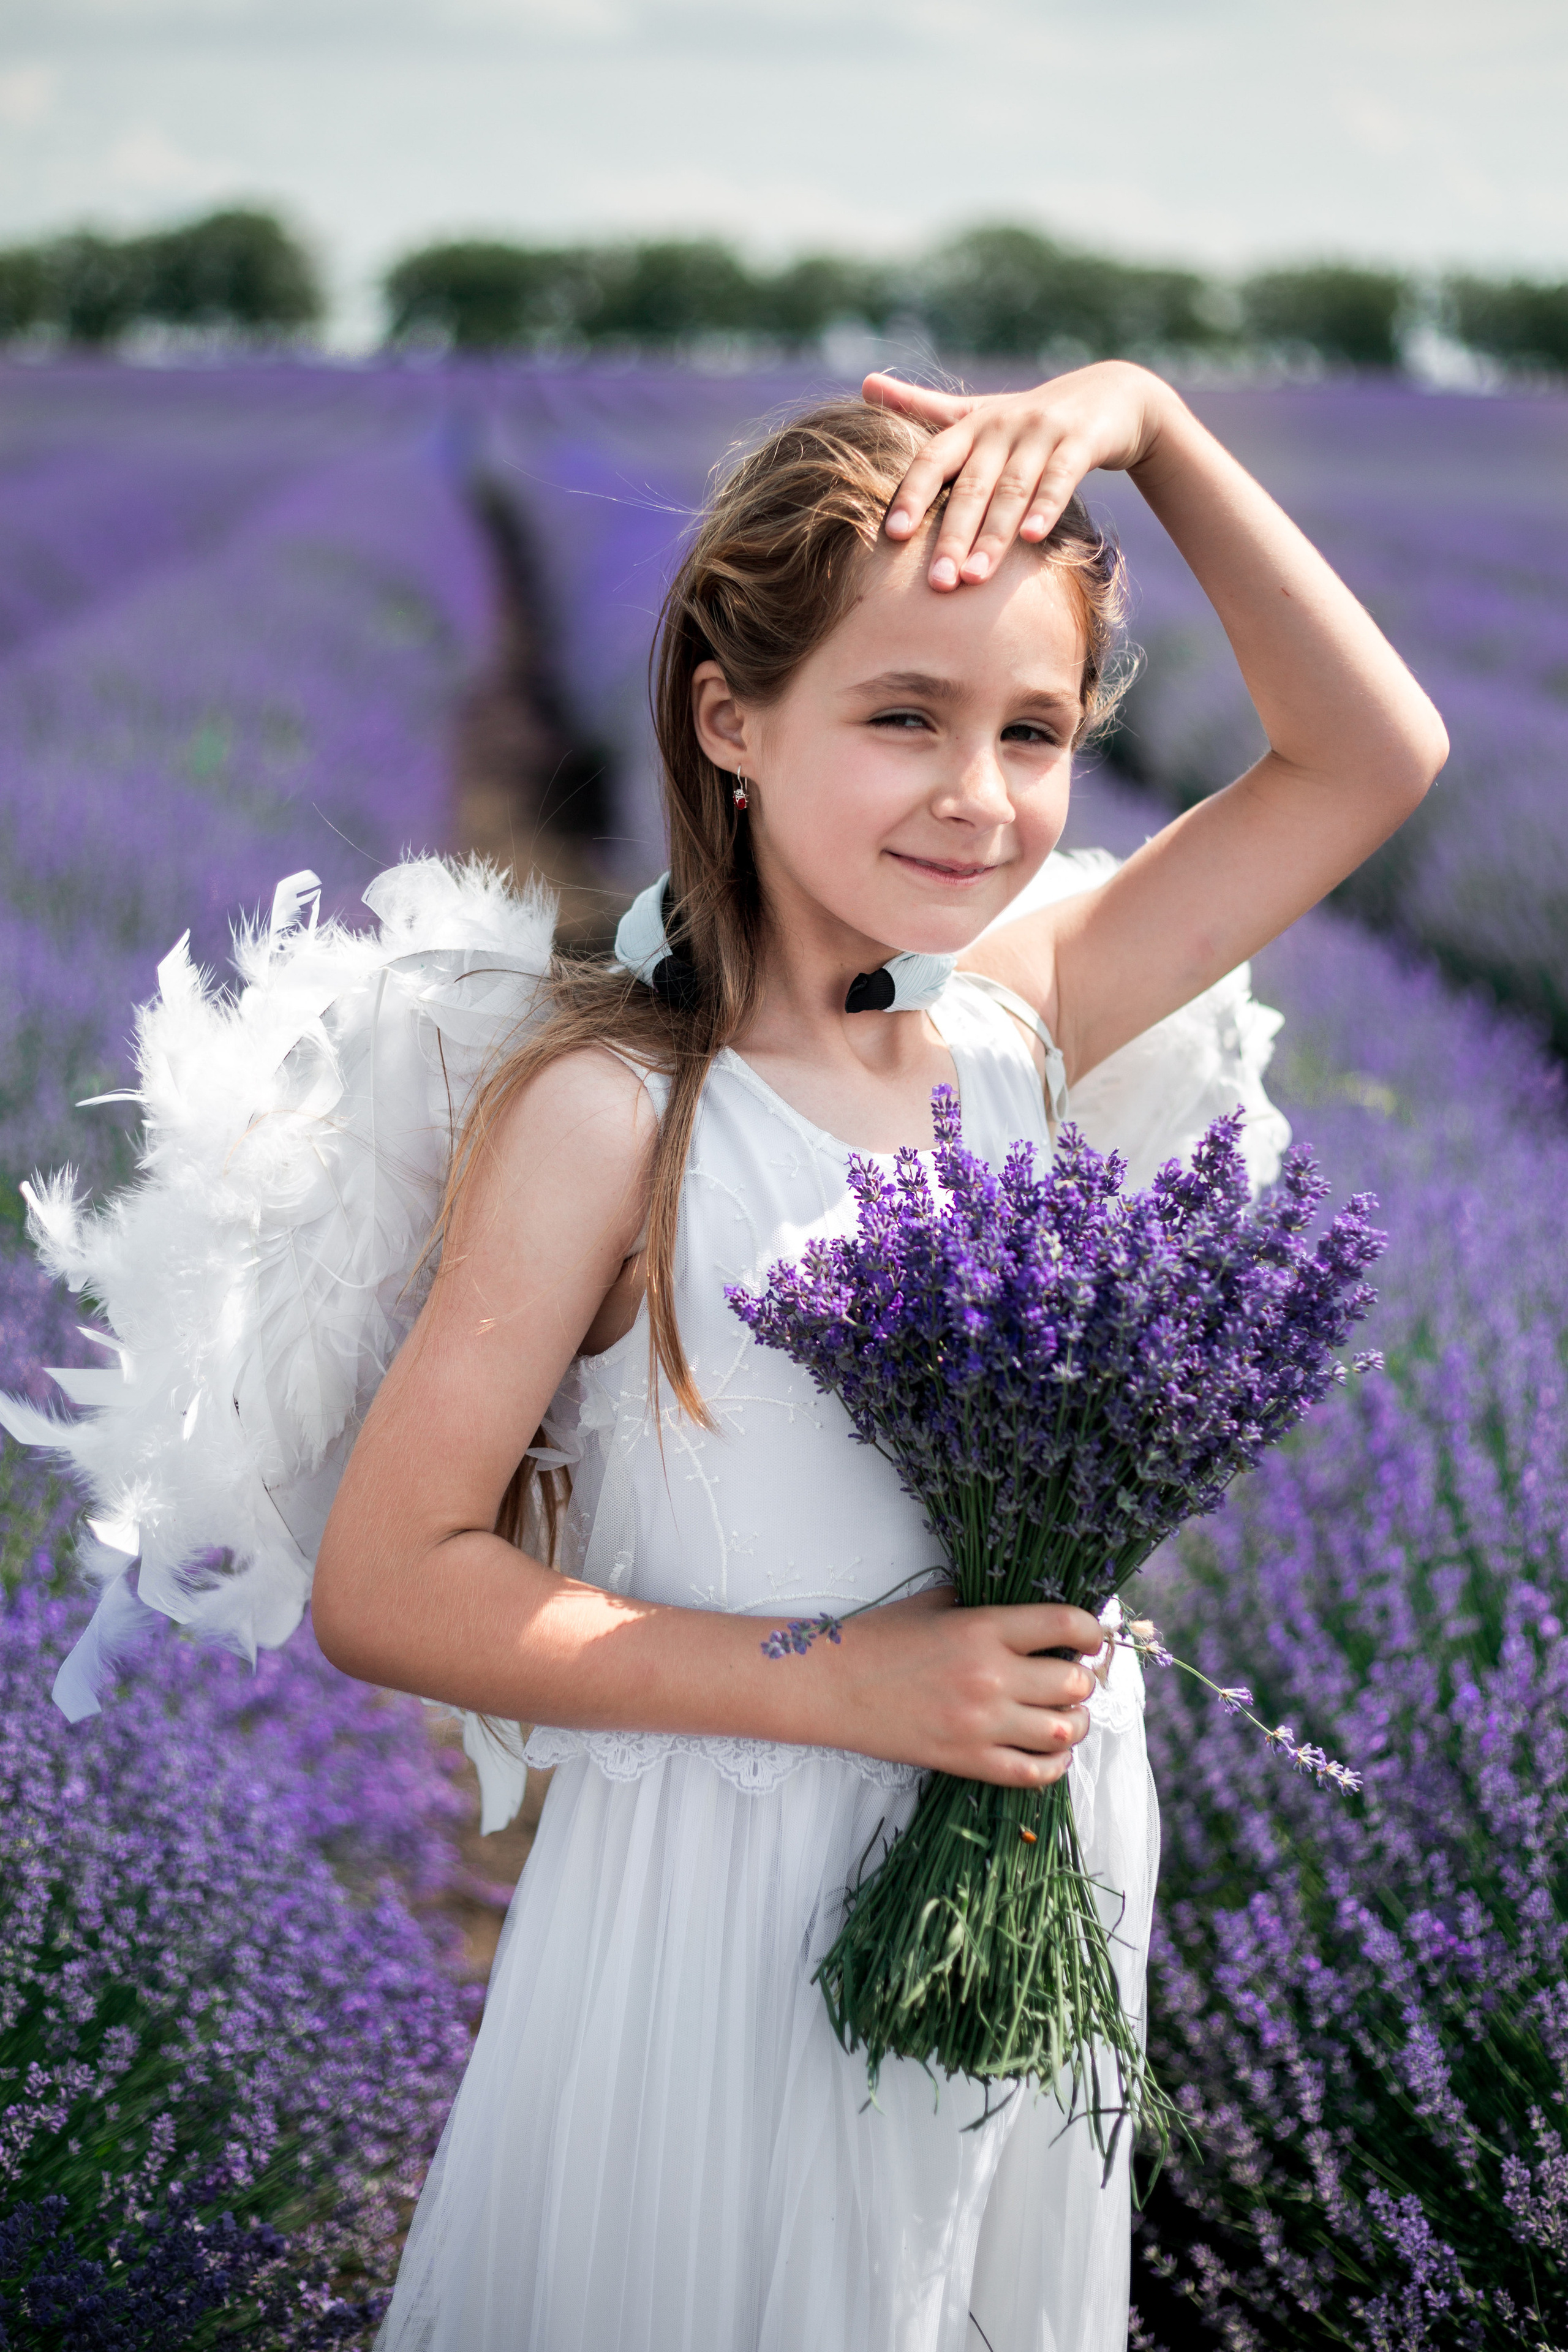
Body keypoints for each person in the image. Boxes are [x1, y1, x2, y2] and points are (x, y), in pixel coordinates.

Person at [312, 364, 1446, 2352]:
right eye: (904, 716)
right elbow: (390, 1582)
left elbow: (1369, 757)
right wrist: (843, 1680)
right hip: (740, 1888)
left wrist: (1154, 426)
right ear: (728, 720)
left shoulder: (1021, 1021)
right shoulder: (618, 1112)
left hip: (1038, 1851)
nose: (978, 796)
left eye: (1035, 729)